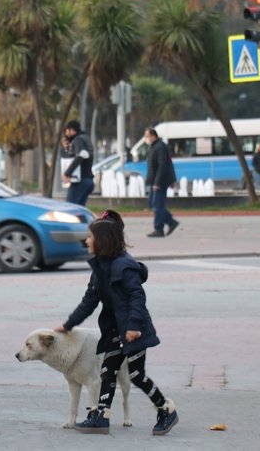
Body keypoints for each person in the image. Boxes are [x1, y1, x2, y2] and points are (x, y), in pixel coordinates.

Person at [56, 209, 178, 436]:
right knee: (108, 369)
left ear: (102, 241)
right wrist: (68, 324)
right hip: (114, 328)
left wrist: (133, 326)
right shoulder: (100, 268)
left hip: (134, 328)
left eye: (90, 236)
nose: (86, 240)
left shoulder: (124, 266)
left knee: (136, 375)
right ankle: (102, 416)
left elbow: (137, 298)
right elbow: (90, 300)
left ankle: (166, 409)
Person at [144, 127, 179, 238]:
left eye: (147, 136)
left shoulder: (160, 147)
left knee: (157, 206)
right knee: (152, 204)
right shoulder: (153, 147)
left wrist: (157, 183)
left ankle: (159, 229)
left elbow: (163, 166)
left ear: (153, 136)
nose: (146, 138)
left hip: (159, 182)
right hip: (154, 181)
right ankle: (171, 222)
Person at [62, 120, 94, 205]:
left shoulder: (78, 140)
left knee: (70, 208)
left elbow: (81, 155)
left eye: (66, 130)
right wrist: (67, 148)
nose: (66, 133)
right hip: (88, 180)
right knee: (79, 211)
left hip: (80, 180)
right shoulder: (85, 138)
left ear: (71, 130)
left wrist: (67, 173)